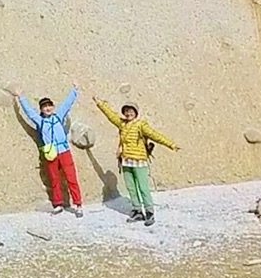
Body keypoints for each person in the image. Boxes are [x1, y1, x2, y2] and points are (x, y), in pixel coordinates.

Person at [95, 96, 178, 224]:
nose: (128, 113)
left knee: (143, 187)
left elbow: (154, 135)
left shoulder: (141, 125)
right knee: (131, 187)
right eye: (126, 111)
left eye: (131, 111)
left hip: (139, 161)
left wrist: (171, 144)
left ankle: (149, 212)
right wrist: (100, 103)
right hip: (126, 160)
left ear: (136, 112)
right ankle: (137, 210)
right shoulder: (122, 124)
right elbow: (110, 115)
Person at [13, 85, 83, 215]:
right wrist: (21, 98)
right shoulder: (40, 121)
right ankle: (58, 204)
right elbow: (29, 112)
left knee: (71, 178)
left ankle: (78, 204)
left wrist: (74, 91)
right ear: (41, 109)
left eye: (49, 105)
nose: (47, 108)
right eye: (44, 106)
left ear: (53, 107)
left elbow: (67, 104)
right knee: (54, 179)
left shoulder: (58, 116)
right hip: (50, 153)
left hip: (64, 151)